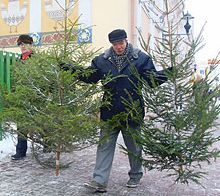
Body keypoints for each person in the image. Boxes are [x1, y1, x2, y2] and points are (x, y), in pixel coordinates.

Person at [62, 29, 172, 193]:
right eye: (115, 44)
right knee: (104, 146)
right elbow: (89, 76)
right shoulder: (102, 60)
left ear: (126, 41)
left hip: (132, 110)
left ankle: (135, 174)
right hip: (109, 110)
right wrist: (69, 68)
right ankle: (99, 181)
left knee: (134, 147)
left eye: (120, 43)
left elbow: (152, 80)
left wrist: (172, 70)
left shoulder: (140, 59)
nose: (118, 46)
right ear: (111, 44)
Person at [11, 34, 33, 160]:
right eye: (20, 44)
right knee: (22, 126)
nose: (22, 46)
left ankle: (47, 145)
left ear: (31, 44)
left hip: (35, 96)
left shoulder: (37, 59)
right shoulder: (19, 61)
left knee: (42, 123)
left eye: (25, 44)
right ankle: (21, 151)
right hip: (22, 98)